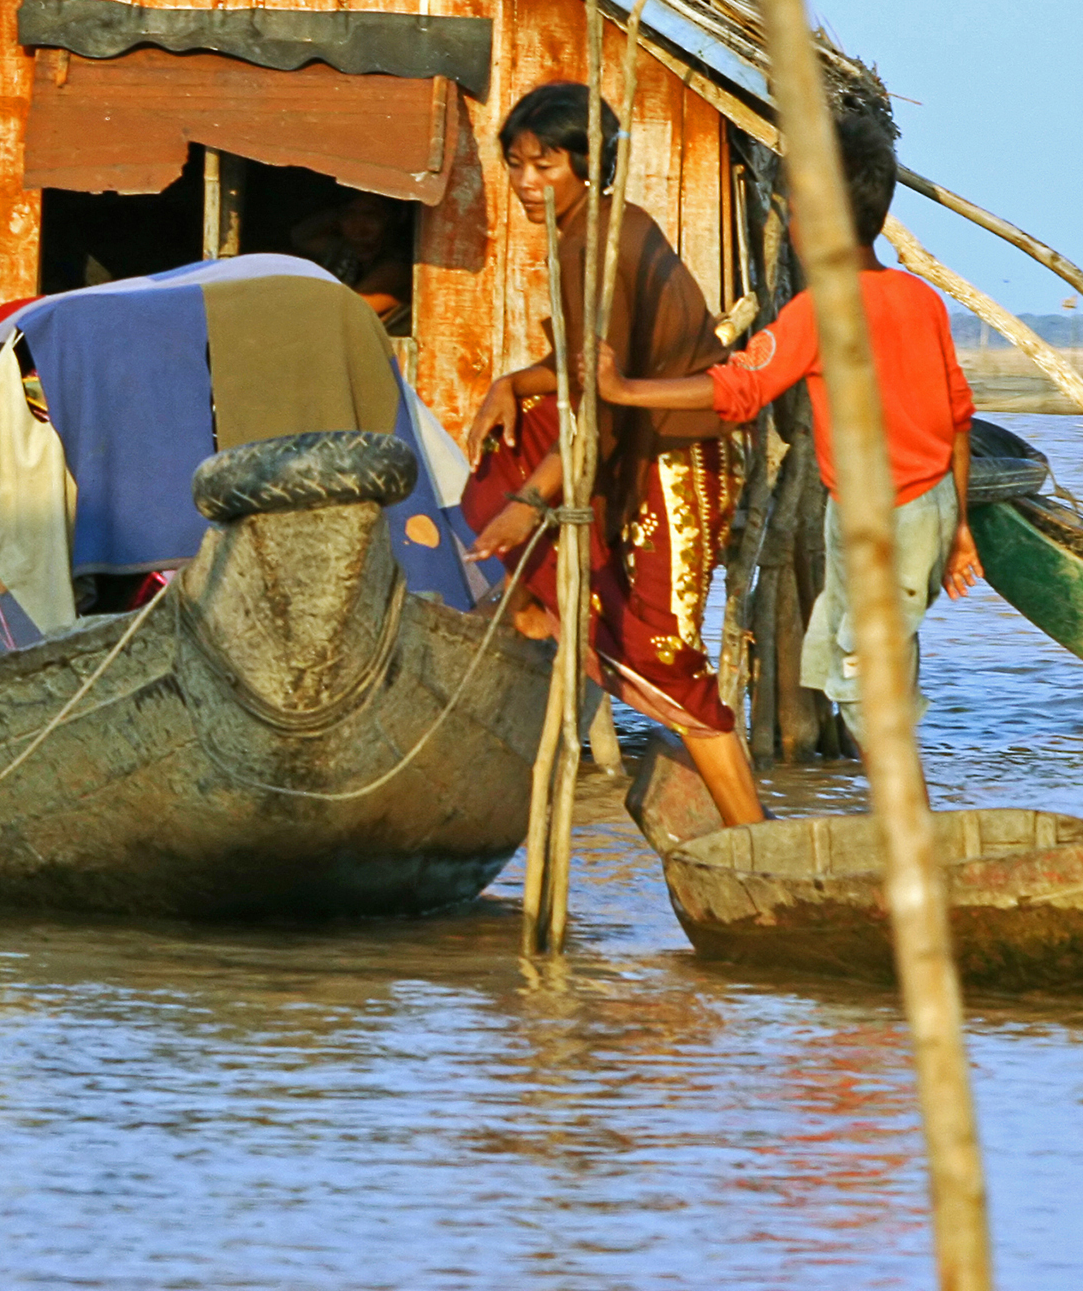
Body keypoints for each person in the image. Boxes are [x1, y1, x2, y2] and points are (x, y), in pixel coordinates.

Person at [592, 83, 978, 749]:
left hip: (883, 521)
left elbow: (735, 392)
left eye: (796, 210)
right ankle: (884, 811)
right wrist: (961, 528)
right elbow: (958, 423)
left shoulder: (818, 309)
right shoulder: (921, 301)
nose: (792, 224)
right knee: (838, 655)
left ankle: (905, 825)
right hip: (916, 506)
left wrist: (625, 391)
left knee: (865, 676)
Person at [457, 82, 763, 827]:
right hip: (633, 444)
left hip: (673, 457)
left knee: (663, 651)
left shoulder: (592, 244)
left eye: (546, 166)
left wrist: (531, 506)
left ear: (588, 164)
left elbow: (600, 402)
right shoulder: (594, 229)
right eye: (517, 165)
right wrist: (514, 381)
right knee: (509, 450)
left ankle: (753, 838)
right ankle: (537, 613)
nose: (528, 183)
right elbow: (586, 370)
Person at [287, 187, 412, 332]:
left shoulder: (398, 269)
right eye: (350, 215)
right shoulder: (345, 252)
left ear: (393, 218)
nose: (359, 228)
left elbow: (343, 313)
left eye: (371, 215)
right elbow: (300, 236)